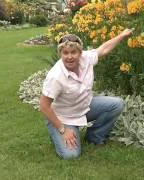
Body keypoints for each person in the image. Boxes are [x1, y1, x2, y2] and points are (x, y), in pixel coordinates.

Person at [39, 28, 134, 159]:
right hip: (63, 117)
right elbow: (44, 106)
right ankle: (57, 131)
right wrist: (63, 130)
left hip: (84, 108)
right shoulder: (55, 76)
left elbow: (104, 49)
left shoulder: (86, 58)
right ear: (60, 53)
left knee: (116, 104)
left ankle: (94, 136)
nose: (70, 57)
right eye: (65, 53)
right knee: (71, 155)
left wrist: (122, 35)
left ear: (80, 52)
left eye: (73, 52)